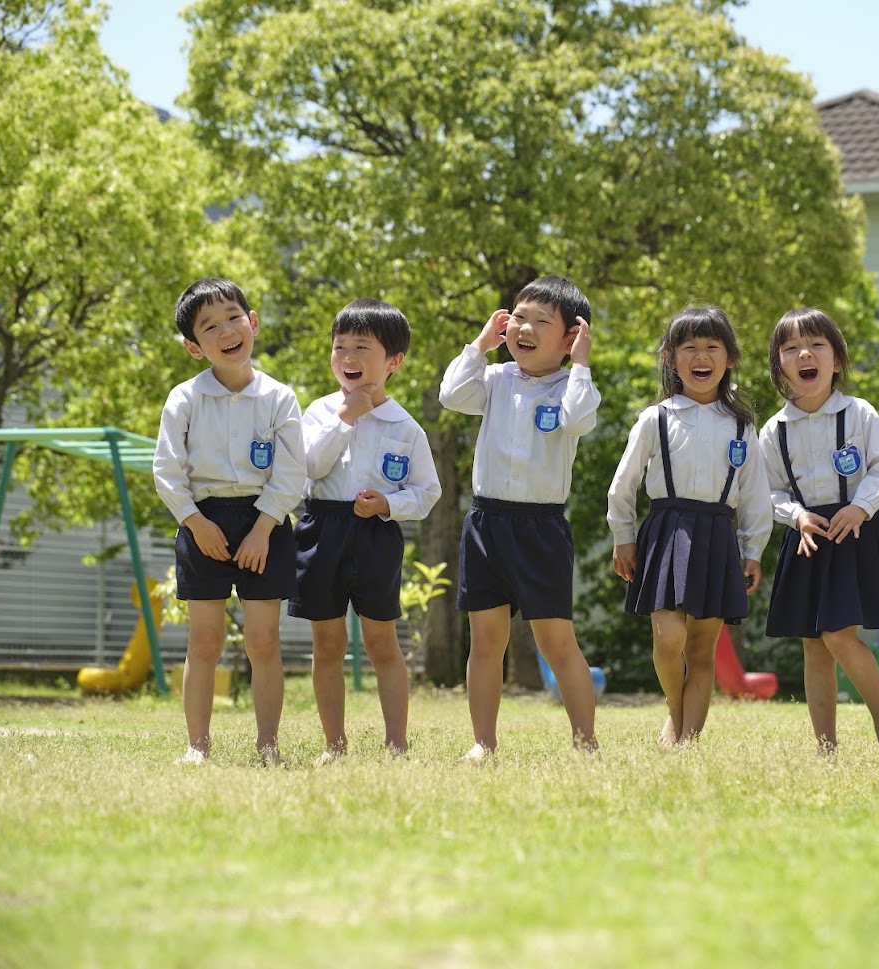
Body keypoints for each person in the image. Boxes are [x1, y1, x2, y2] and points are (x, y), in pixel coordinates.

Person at [439, 275, 600, 759]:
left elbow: (578, 418)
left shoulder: (573, 386)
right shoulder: (494, 379)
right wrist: (480, 346)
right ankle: (482, 743)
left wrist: (582, 364)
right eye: (519, 318)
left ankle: (585, 743)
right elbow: (451, 395)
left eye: (541, 321)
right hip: (487, 523)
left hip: (541, 529)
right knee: (486, 641)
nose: (524, 328)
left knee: (557, 641)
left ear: (570, 337)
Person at [153, 277, 305, 765]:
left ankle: (268, 746)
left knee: (264, 640)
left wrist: (263, 528)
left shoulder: (280, 398)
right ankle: (197, 747)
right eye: (209, 327)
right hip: (204, 522)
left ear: (252, 322)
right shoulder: (184, 399)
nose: (226, 331)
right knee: (204, 641)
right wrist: (195, 523)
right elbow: (167, 470)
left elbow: (291, 471)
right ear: (193, 347)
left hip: (267, 521)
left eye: (233, 318)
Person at [758, 308, 879, 758]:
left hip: (855, 533)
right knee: (814, 645)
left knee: (839, 636)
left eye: (816, 345)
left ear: (837, 361)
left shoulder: (859, 414)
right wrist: (796, 516)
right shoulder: (773, 431)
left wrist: (861, 506)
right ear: (779, 366)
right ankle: (825, 749)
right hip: (809, 539)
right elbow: (767, 490)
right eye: (790, 348)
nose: (804, 354)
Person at [608, 306, 772, 745]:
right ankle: (675, 712)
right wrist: (623, 537)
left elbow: (756, 494)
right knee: (668, 636)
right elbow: (622, 486)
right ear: (669, 357)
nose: (701, 357)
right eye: (689, 348)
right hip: (666, 531)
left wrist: (752, 549)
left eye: (712, 347)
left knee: (702, 649)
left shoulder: (741, 425)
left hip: (719, 534)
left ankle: (686, 742)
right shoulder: (655, 419)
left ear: (730, 357)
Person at [289, 299, 441, 761]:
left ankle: (397, 744)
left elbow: (427, 492)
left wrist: (389, 505)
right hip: (321, 529)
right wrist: (347, 417)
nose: (348, 357)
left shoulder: (406, 426)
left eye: (362, 347)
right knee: (327, 642)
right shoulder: (318, 411)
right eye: (340, 347)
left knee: (382, 641)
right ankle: (335, 745)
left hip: (375, 535)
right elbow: (309, 465)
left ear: (394, 361)